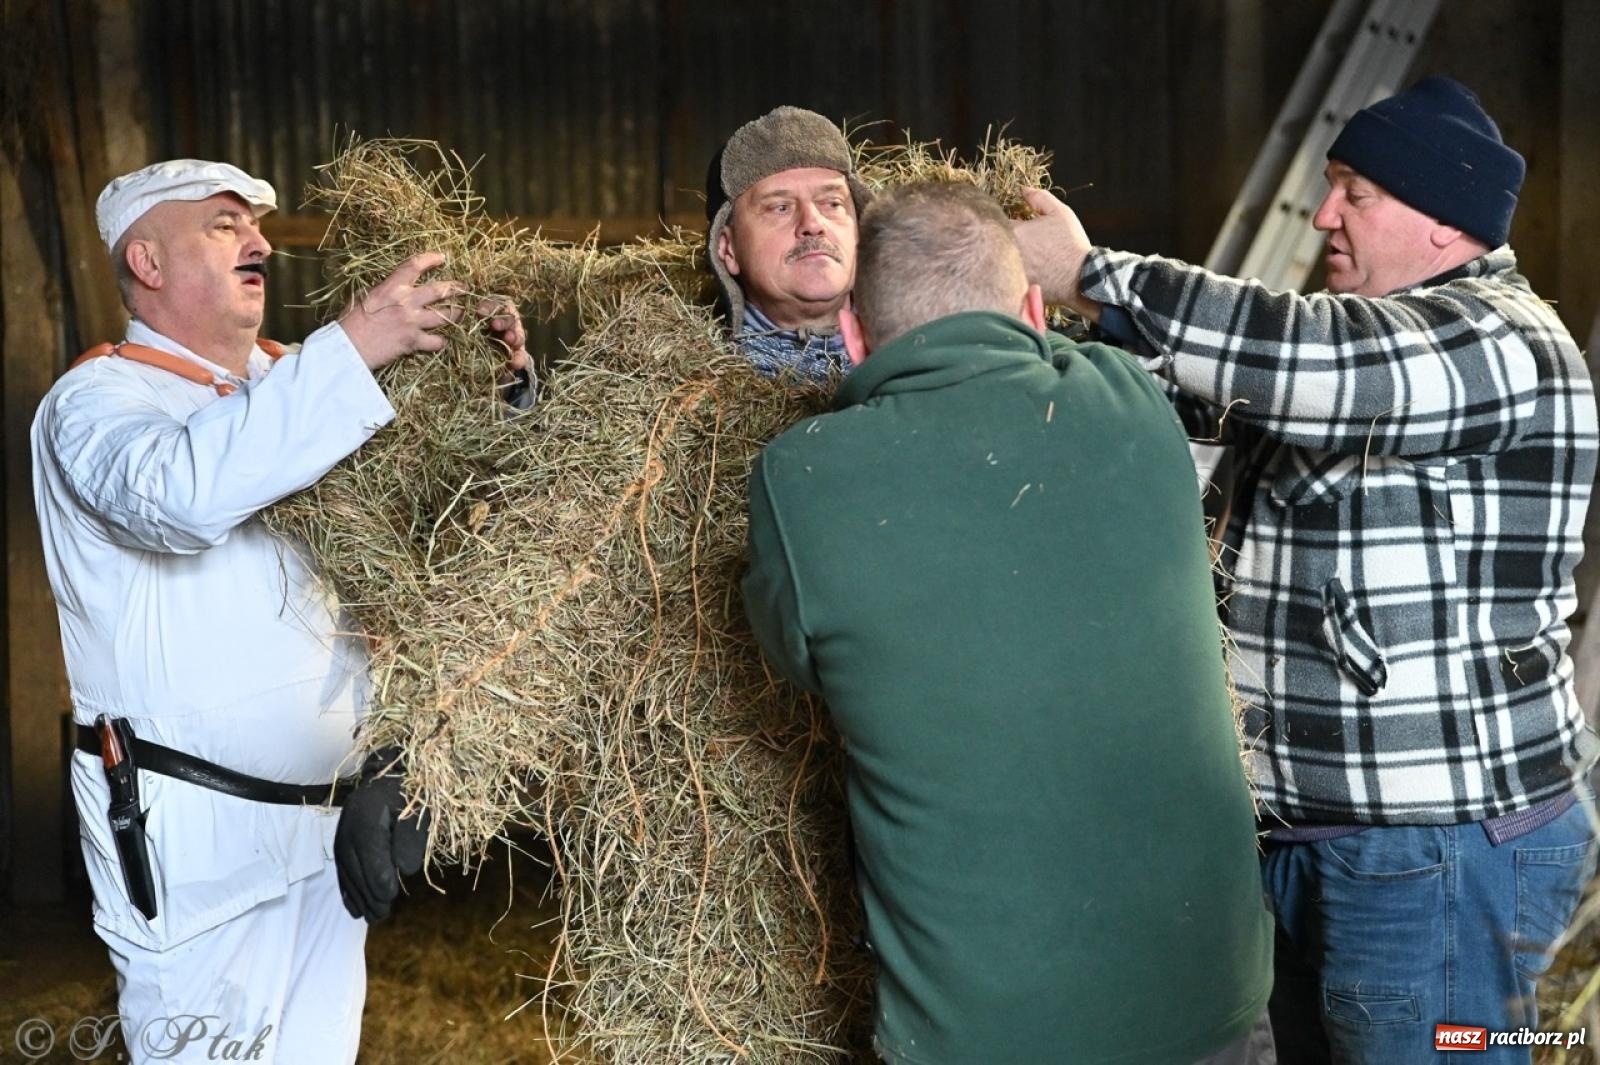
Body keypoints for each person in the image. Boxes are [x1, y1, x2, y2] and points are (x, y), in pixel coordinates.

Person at [1014, 76, 1600, 1063]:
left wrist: (1089, 273)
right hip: (1317, 838)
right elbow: (1181, 389)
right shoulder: (1355, 353)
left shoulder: (1498, 340)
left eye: (1353, 192)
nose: (1323, 215)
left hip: (1442, 852)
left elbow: (1301, 358)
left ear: (1441, 221)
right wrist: (1040, 328)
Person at [742, 182, 1272, 1065]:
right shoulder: (1129, 402)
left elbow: (789, 658)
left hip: (986, 1036)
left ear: (853, 337)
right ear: (1033, 307)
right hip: (1209, 1006)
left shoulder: (801, 479)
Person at [32, 159, 471, 1063]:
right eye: (225, 224)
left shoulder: (296, 389)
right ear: (148, 263)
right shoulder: (96, 403)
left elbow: (422, 542)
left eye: (257, 226)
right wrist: (350, 349)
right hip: (197, 848)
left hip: (330, 832)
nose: (261, 243)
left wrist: (491, 394)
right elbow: (183, 495)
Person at [704, 105, 870, 384]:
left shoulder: (921, 351)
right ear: (728, 250)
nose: (813, 223)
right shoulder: (700, 381)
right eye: (780, 207)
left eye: (832, 203)